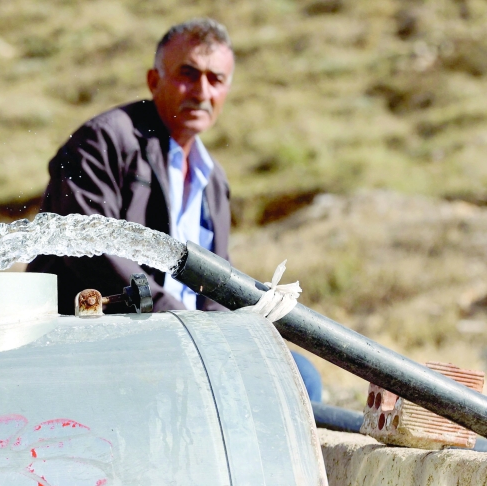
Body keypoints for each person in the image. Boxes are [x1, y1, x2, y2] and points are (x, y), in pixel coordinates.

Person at [28, 18, 324, 401]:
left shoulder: (213, 180)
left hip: (184, 344)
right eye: (188, 74)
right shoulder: (103, 140)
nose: (202, 91)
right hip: (100, 338)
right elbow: (88, 245)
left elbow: (215, 288)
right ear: (154, 81)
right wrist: (181, 322)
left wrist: (224, 335)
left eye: (215, 80)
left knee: (301, 378)